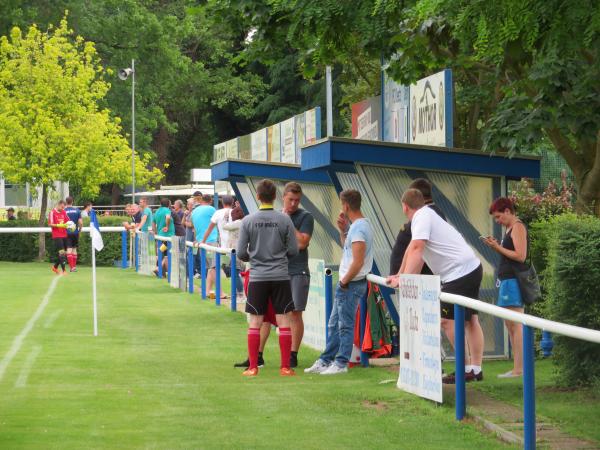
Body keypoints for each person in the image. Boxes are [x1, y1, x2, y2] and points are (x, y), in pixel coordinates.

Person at [387, 189, 485, 383]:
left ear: (404, 206)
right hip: (472, 267)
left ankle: (466, 369)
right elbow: (412, 249)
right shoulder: (427, 215)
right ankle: (475, 369)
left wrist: (404, 280)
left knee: (447, 321)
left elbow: (417, 249)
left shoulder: (421, 217)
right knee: (470, 320)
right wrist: (400, 274)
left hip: (459, 273)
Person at [305, 189, 373, 375]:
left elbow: (358, 261)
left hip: (350, 284)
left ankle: (341, 363)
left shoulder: (359, 228)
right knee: (334, 324)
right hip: (348, 283)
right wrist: (343, 231)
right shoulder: (358, 226)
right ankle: (326, 360)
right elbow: (348, 249)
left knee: (344, 325)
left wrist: (344, 282)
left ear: (345, 205)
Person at [237, 179, 298, 376]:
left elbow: (240, 252)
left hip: (258, 277)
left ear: (257, 196)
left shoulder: (248, 220)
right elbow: (293, 250)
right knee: (284, 321)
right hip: (281, 276)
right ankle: (285, 367)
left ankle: (253, 367)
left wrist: (254, 257)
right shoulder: (285, 220)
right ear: (275, 197)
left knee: (255, 321)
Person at [482, 197, 527, 378]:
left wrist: (497, 248)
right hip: (506, 280)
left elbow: (520, 255)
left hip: (513, 281)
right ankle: (517, 368)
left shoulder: (518, 227)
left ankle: (519, 369)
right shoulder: (509, 228)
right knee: (510, 325)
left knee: (516, 324)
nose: (498, 221)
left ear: (508, 211)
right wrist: (497, 246)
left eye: (499, 217)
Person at [389, 178, 446, 275]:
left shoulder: (427, 215)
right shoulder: (428, 213)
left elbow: (418, 249)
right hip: (408, 279)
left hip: (417, 280)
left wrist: (406, 279)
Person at [192, 194, 218, 296]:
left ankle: (207, 291)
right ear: (210, 201)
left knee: (210, 268)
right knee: (214, 267)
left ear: (202, 200)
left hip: (200, 242)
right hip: (210, 241)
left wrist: (197, 239)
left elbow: (193, 228)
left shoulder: (194, 211)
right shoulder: (212, 209)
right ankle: (219, 292)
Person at [153, 198, 175, 276]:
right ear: (168, 204)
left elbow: (153, 222)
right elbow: (168, 217)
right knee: (168, 253)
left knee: (162, 252)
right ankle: (159, 269)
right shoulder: (167, 210)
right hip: (168, 236)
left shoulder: (157, 211)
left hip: (160, 236)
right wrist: (167, 226)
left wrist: (155, 232)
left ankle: (160, 269)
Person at [48, 200, 70, 275]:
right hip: (57, 235)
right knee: (61, 253)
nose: (62, 208)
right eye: (62, 207)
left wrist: (70, 225)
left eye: (64, 207)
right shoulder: (52, 212)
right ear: (58, 204)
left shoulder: (64, 212)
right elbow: (50, 224)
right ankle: (64, 271)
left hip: (64, 234)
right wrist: (59, 225)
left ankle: (55, 267)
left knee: (65, 253)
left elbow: (68, 221)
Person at [64, 196, 83, 272]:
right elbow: (81, 223)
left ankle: (72, 267)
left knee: (69, 249)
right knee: (74, 249)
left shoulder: (63, 211)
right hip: (75, 232)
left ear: (66, 202)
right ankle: (74, 267)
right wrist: (80, 230)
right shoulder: (77, 210)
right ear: (72, 202)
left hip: (67, 232)